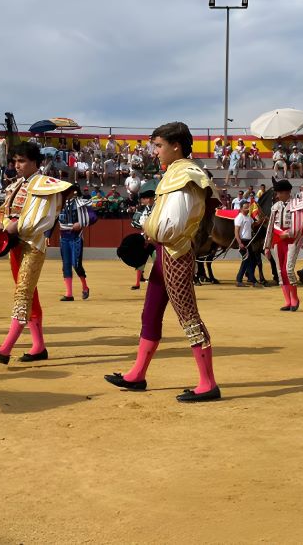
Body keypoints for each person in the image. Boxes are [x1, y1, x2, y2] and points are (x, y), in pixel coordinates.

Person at [105, 122, 220, 402]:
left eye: (159, 146)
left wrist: (148, 233)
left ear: (176, 145)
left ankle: (208, 383)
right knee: (151, 312)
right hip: (165, 252)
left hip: (176, 252)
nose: (155, 152)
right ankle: (137, 373)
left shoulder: (186, 175)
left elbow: (172, 224)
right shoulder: (177, 174)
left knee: (188, 316)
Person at [0, 142, 72, 365]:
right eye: (15, 161)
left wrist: (14, 227)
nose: (17, 165)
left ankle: (6, 349)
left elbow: (43, 218)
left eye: (22, 161)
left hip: (32, 245)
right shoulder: (16, 185)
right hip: (14, 245)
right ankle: (39, 346)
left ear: (36, 162)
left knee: (23, 293)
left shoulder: (46, 185)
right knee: (28, 293)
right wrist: (2, 224)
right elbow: (3, 211)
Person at [262, 179, 303, 311]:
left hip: (292, 240)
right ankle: (288, 301)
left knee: (288, 270)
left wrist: (288, 234)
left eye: (279, 193)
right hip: (278, 241)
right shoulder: (275, 207)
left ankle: (295, 299)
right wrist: (267, 246)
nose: (277, 196)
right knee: (280, 271)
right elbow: (271, 227)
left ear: (286, 192)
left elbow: (301, 225)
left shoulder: (297, 204)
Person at [58, 187, 93, 301]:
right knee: (66, 265)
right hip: (63, 237)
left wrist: (81, 223)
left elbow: (93, 217)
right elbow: (53, 219)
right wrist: (47, 235)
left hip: (75, 237)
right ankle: (69, 293)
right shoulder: (59, 203)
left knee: (76, 264)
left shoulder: (80, 203)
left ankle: (85, 286)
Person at [129, 181, 157, 290]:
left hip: (154, 238)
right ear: (143, 200)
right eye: (147, 198)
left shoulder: (158, 208)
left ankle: (154, 281)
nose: (149, 200)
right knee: (140, 260)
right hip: (145, 238)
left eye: (151, 198)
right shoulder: (141, 210)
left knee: (157, 260)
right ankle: (137, 282)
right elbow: (134, 223)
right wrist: (143, 227)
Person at [233, 202, 259, 286]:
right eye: (245, 208)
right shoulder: (239, 218)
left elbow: (253, 225)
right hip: (243, 241)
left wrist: (261, 221)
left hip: (249, 241)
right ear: (241, 208)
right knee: (246, 261)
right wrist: (240, 243)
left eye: (248, 208)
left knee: (252, 260)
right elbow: (236, 231)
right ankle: (239, 280)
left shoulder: (248, 217)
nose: (248, 209)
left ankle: (251, 279)